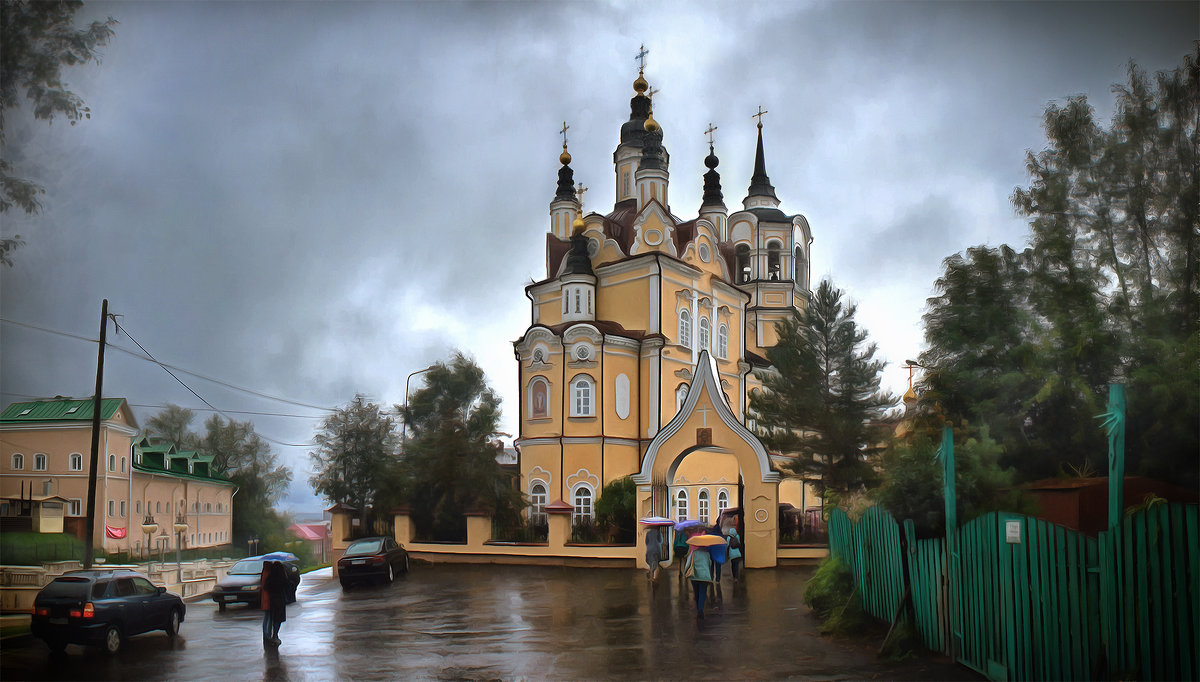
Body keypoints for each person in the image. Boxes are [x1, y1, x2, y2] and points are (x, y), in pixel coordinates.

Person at [261, 560, 290, 646]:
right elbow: (288, 585)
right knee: (278, 619)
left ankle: (270, 635)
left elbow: (266, 586)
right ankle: (275, 635)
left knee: (273, 619)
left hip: (273, 601)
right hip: (280, 601)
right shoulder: (282, 577)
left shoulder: (270, 577)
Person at [684, 544, 714, 618]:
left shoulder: (693, 553)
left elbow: (688, 564)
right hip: (704, 576)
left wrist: (685, 572)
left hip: (695, 576)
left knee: (696, 592)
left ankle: (698, 608)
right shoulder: (707, 554)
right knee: (702, 592)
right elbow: (710, 564)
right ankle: (700, 609)